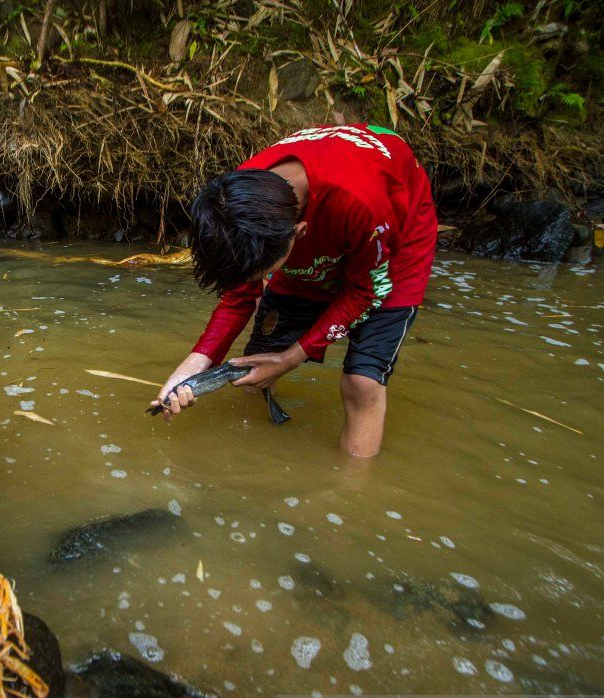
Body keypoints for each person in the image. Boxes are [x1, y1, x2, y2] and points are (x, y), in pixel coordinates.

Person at [152, 124, 437, 457]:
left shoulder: (361, 201)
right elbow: (238, 295)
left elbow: (366, 292)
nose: (259, 281)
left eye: (267, 273)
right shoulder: (237, 203)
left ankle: (351, 492)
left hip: (393, 242)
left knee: (362, 384)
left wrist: (289, 359)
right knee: (254, 367)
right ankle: (252, 455)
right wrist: (188, 371)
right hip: (328, 218)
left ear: (300, 233)